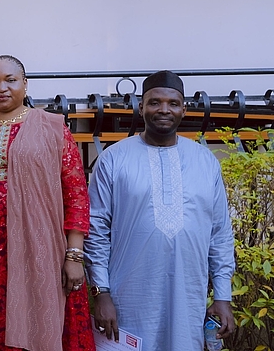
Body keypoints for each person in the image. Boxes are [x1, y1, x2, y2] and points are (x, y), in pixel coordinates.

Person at [86, 70, 237, 348]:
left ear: (184, 109)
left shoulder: (205, 161)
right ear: (141, 107)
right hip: (127, 297)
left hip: (188, 295)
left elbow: (220, 234)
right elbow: (95, 231)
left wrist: (223, 296)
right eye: (155, 102)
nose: (163, 109)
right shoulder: (113, 160)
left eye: (173, 103)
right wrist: (101, 293)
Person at [0, 55, 94, 350]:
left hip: (41, 247)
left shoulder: (51, 127)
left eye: (10, 80)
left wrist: (73, 256)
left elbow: (76, 193)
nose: (1, 87)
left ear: (25, 84)